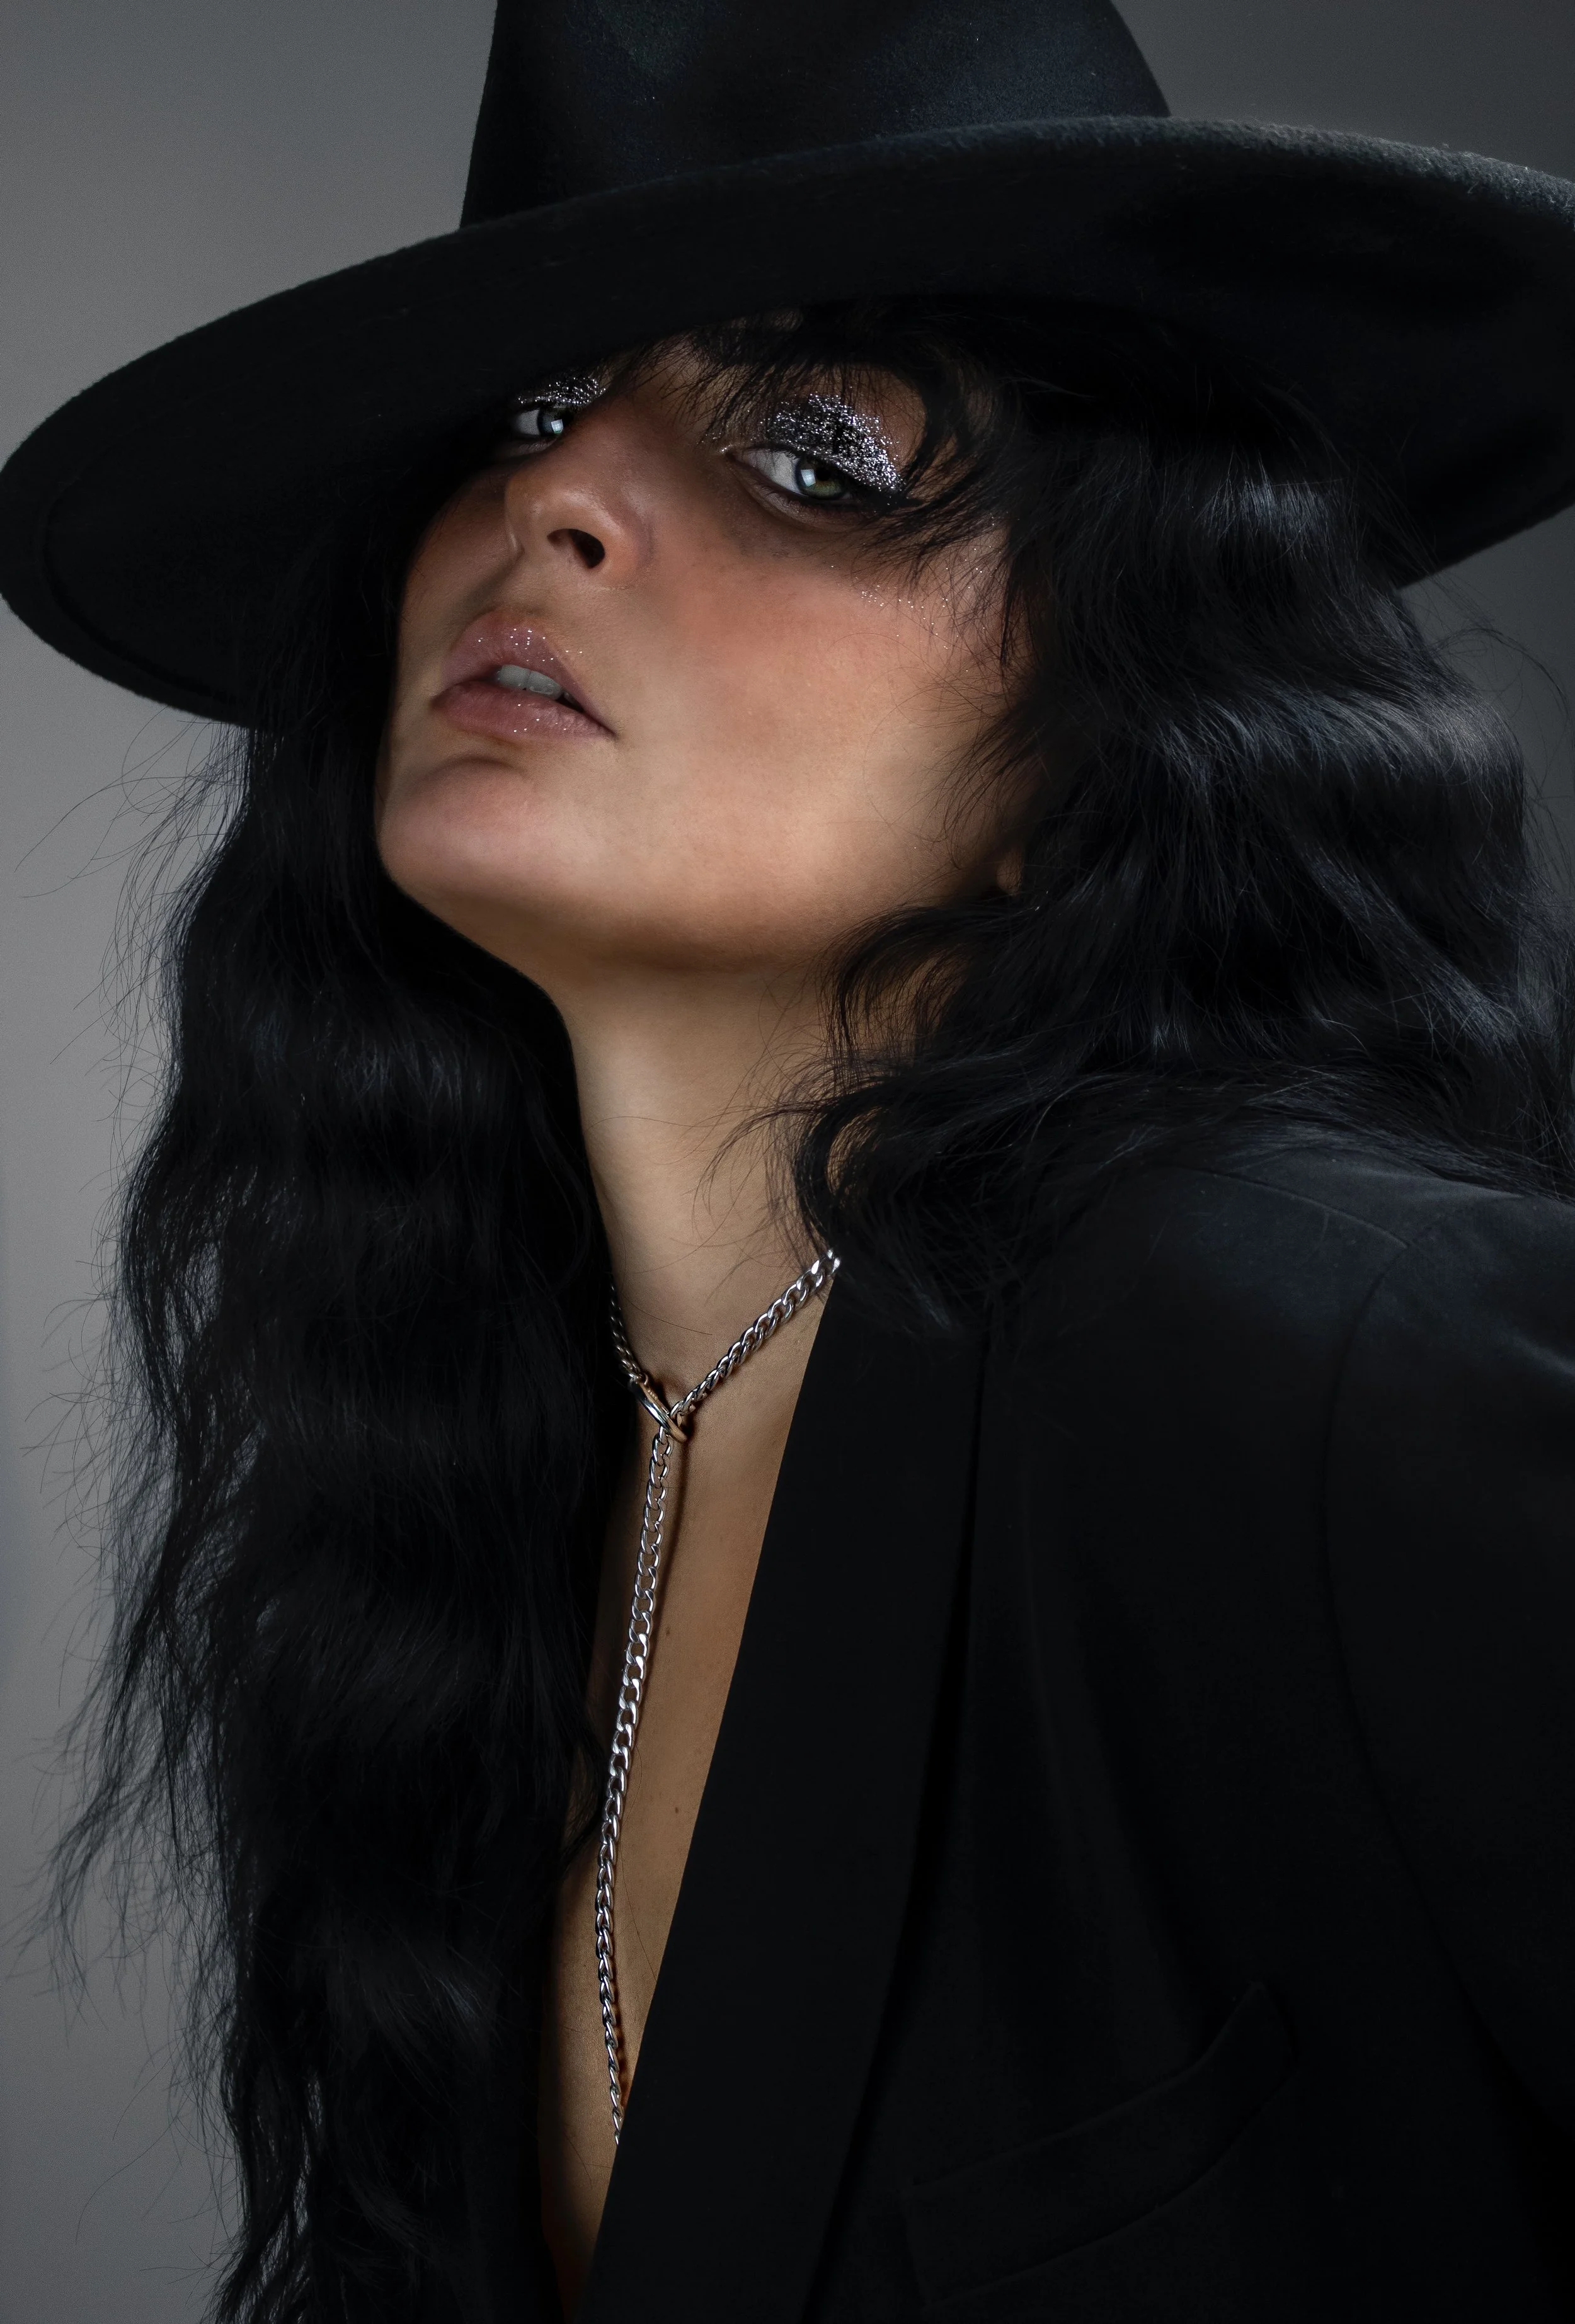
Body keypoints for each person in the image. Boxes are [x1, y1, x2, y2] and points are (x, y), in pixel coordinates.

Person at [4, 2, 1575, 2318]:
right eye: (530, 412)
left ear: (1111, 732)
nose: (550, 496)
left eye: (816, 453)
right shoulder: (470, 1470)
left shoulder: (1329, 1353)